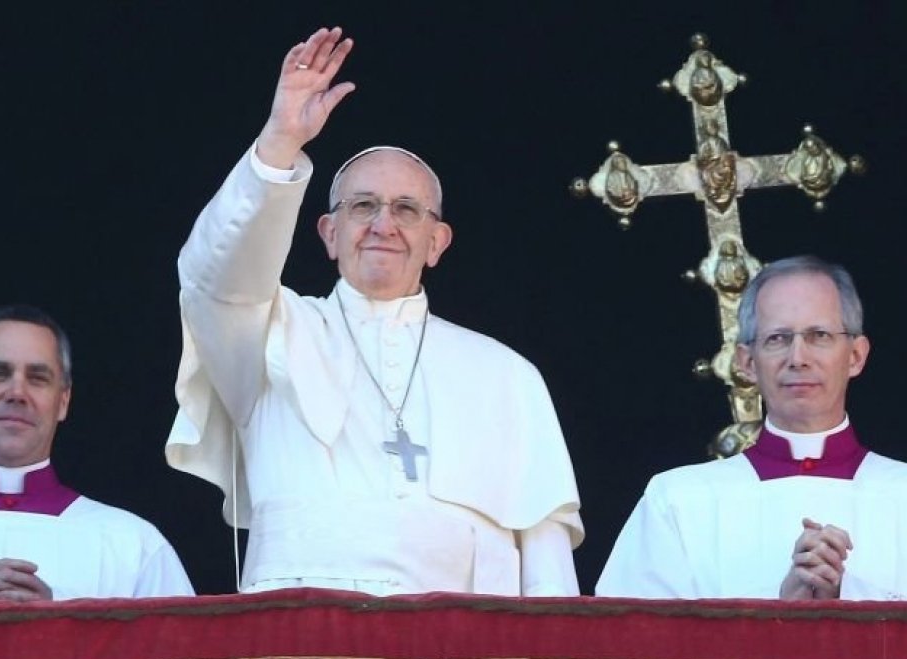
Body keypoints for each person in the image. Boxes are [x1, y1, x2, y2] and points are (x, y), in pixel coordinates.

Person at [165, 26, 584, 597]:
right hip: (301, 639)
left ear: (437, 242)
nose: (383, 224)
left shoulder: (508, 375)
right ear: (329, 232)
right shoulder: (267, 333)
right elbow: (213, 274)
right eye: (363, 206)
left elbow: (547, 566)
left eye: (407, 209)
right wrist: (281, 140)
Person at [596, 255, 907, 601]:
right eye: (777, 338)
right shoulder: (678, 502)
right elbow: (629, 645)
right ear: (746, 363)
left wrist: (841, 599)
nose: (798, 357)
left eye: (819, 335)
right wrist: (779, 613)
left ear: (855, 356)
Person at [0, 305, 194, 601]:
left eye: (38, 378)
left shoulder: (132, 544)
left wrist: (62, 629)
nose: (16, 393)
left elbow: (186, 648)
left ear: (63, 400)